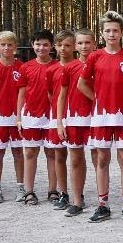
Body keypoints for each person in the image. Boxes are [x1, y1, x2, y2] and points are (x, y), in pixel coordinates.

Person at [78, 11, 123, 222]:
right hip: (101, 117)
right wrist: (97, 99)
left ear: (122, 33)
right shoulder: (95, 57)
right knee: (102, 159)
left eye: (115, 30)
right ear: (102, 34)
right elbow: (82, 84)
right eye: (107, 30)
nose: (111, 34)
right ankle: (103, 205)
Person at [56, 29, 97, 216]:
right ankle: (77, 201)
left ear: (94, 44)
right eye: (80, 43)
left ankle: (102, 202)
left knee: (99, 160)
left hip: (96, 118)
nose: (84, 46)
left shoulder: (100, 63)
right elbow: (61, 96)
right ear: (75, 46)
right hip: (74, 119)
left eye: (87, 42)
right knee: (75, 159)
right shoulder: (69, 67)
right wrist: (59, 122)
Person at [0, 31, 27, 204]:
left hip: (17, 116)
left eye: (10, 45)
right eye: (3, 45)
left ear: (15, 47)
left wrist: (19, 113)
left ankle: (21, 187)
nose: (6, 48)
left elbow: (24, 92)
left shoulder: (22, 67)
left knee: (18, 152)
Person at [18, 30, 58, 204]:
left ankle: (53, 191)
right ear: (32, 45)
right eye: (38, 44)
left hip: (52, 116)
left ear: (52, 46)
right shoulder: (25, 67)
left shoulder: (58, 66)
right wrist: (18, 118)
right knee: (30, 153)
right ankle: (29, 192)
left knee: (52, 153)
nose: (41, 48)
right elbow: (21, 94)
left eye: (45, 44)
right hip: (30, 116)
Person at [46, 30, 77, 209]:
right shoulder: (51, 70)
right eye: (59, 45)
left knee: (77, 156)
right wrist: (58, 118)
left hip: (76, 116)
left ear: (74, 46)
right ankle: (63, 193)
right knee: (59, 155)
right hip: (57, 116)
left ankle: (78, 194)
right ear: (55, 47)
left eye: (67, 45)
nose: (63, 49)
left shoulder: (80, 66)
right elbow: (51, 94)